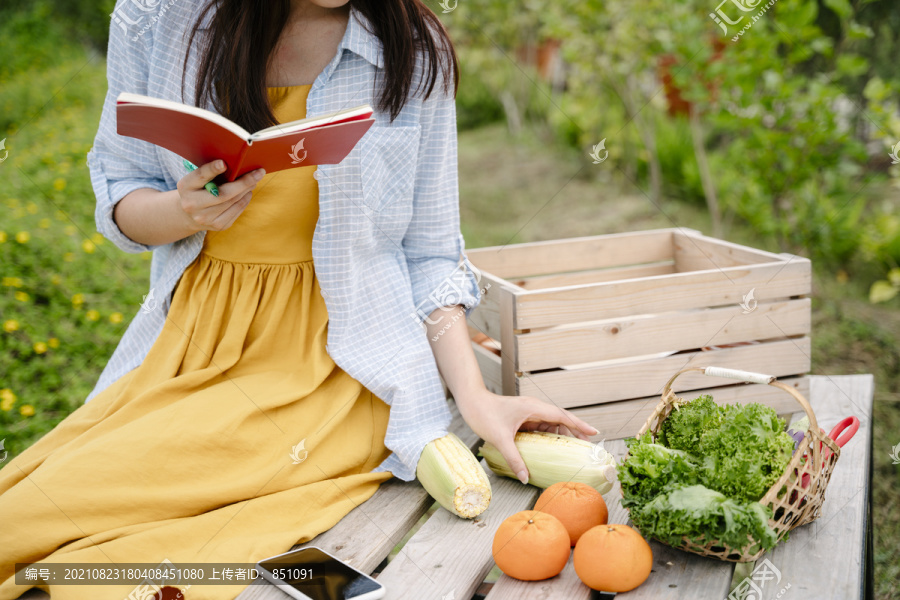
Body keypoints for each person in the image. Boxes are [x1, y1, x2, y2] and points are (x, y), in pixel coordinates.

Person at [0, 0, 598, 597]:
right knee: (26, 514)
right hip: (190, 349)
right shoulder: (156, 18)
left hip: (338, 369)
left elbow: (431, 253)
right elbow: (120, 197)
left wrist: (475, 397)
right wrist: (183, 210)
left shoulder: (414, 52)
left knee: (101, 550)